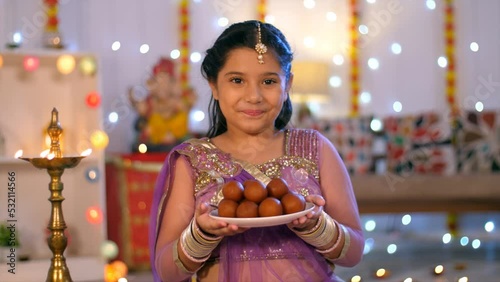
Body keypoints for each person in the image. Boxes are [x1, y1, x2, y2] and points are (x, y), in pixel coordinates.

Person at [149, 20, 364, 282]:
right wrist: (202, 234)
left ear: (287, 85)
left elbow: (353, 254)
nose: (254, 96)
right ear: (214, 86)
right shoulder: (193, 161)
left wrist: (316, 226)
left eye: (269, 81)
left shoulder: (315, 148)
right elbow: (166, 271)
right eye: (237, 80)